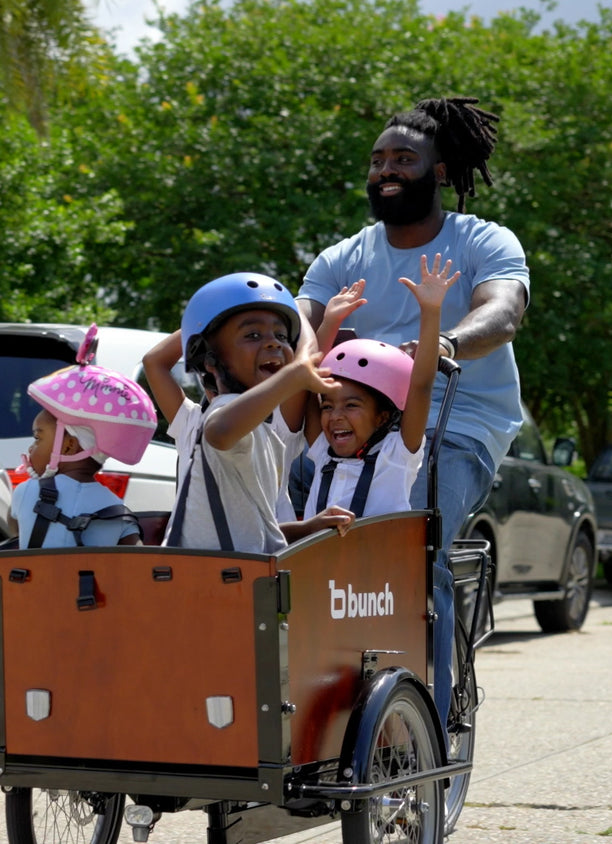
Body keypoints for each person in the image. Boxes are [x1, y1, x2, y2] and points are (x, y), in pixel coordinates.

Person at [296, 96, 530, 722]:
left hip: (460, 421)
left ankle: (434, 713)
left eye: (403, 158)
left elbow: (503, 311)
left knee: (416, 546)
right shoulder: (343, 257)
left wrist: (446, 341)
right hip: (357, 423)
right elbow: (300, 329)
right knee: (280, 530)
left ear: (442, 171)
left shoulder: (482, 240)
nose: (385, 170)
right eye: (376, 161)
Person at [141, 272, 343, 554]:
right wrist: (210, 311)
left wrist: (308, 527)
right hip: (209, 582)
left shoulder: (263, 429)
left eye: (282, 335)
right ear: (209, 360)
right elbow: (219, 431)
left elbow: (251, 533)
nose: (273, 343)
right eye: (252, 334)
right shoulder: (223, 412)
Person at [302, 255, 461, 521]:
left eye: (351, 405)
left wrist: (431, 310)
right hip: (321, 563)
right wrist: (330, 322)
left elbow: (420, 387)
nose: (335, 416)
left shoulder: (396, 455)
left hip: (381, 561)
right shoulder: (322, 451)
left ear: (383, 416)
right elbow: (307, 377)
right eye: (328, 406)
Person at [10, 326, 158, 549]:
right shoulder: (117, 510)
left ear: (69, 446)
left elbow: (15, 533)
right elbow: (137, 562)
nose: (31, 449)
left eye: (38, 438)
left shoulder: (26, 493)